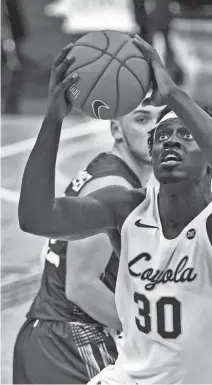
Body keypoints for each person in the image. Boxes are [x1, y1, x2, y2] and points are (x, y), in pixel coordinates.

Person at [18, 35, 212, 384]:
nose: (171, 140)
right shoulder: (126, 207)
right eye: (162, 136)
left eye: (186, 135)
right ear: (151, 155)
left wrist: (174, 97)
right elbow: (36, 218)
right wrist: (53, 119)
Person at [13, 83, 161, 383]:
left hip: (55, 338)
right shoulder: (113, 186)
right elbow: (82, 287)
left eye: (162, 119)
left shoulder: (110, 171)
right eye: (142, 119)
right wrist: (156, 336)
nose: (155, 130)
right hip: (67, 342)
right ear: (116, 130)